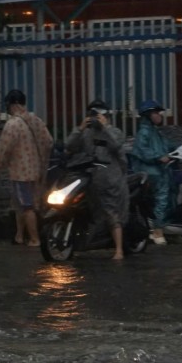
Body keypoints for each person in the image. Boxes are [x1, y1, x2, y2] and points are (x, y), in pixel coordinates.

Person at [65, 99, 129, 260]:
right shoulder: (86, 133)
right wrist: (79, 129)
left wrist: (105, 126)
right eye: (92, 113)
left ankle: (119, 250)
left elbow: (116, 145)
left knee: (112, 213)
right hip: (90, 179)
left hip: (111, 180)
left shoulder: (114, 131)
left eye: (98, 114)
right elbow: (70, 146)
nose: (95, 117)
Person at [0, 89, 54, 247]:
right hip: (36, 171)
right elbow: (49, 141)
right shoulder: (35, 120)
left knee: (26, 206)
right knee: (20, 205)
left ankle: (34, 239)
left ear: (12, 105)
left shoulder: (12, 124)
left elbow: (4, 147)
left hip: (20, 172)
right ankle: (19, 236)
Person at [129, 99, 174, 245]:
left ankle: (158, 228)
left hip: (160, 171)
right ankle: (157, 231)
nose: (159, 116)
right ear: (148, 115)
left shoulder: (155, 132)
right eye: (156, 113)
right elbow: (143, 151)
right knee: (159, 201)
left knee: (162, 201)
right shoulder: (144, 132)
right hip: (152, 173)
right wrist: (159, 157)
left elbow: (166, 146)